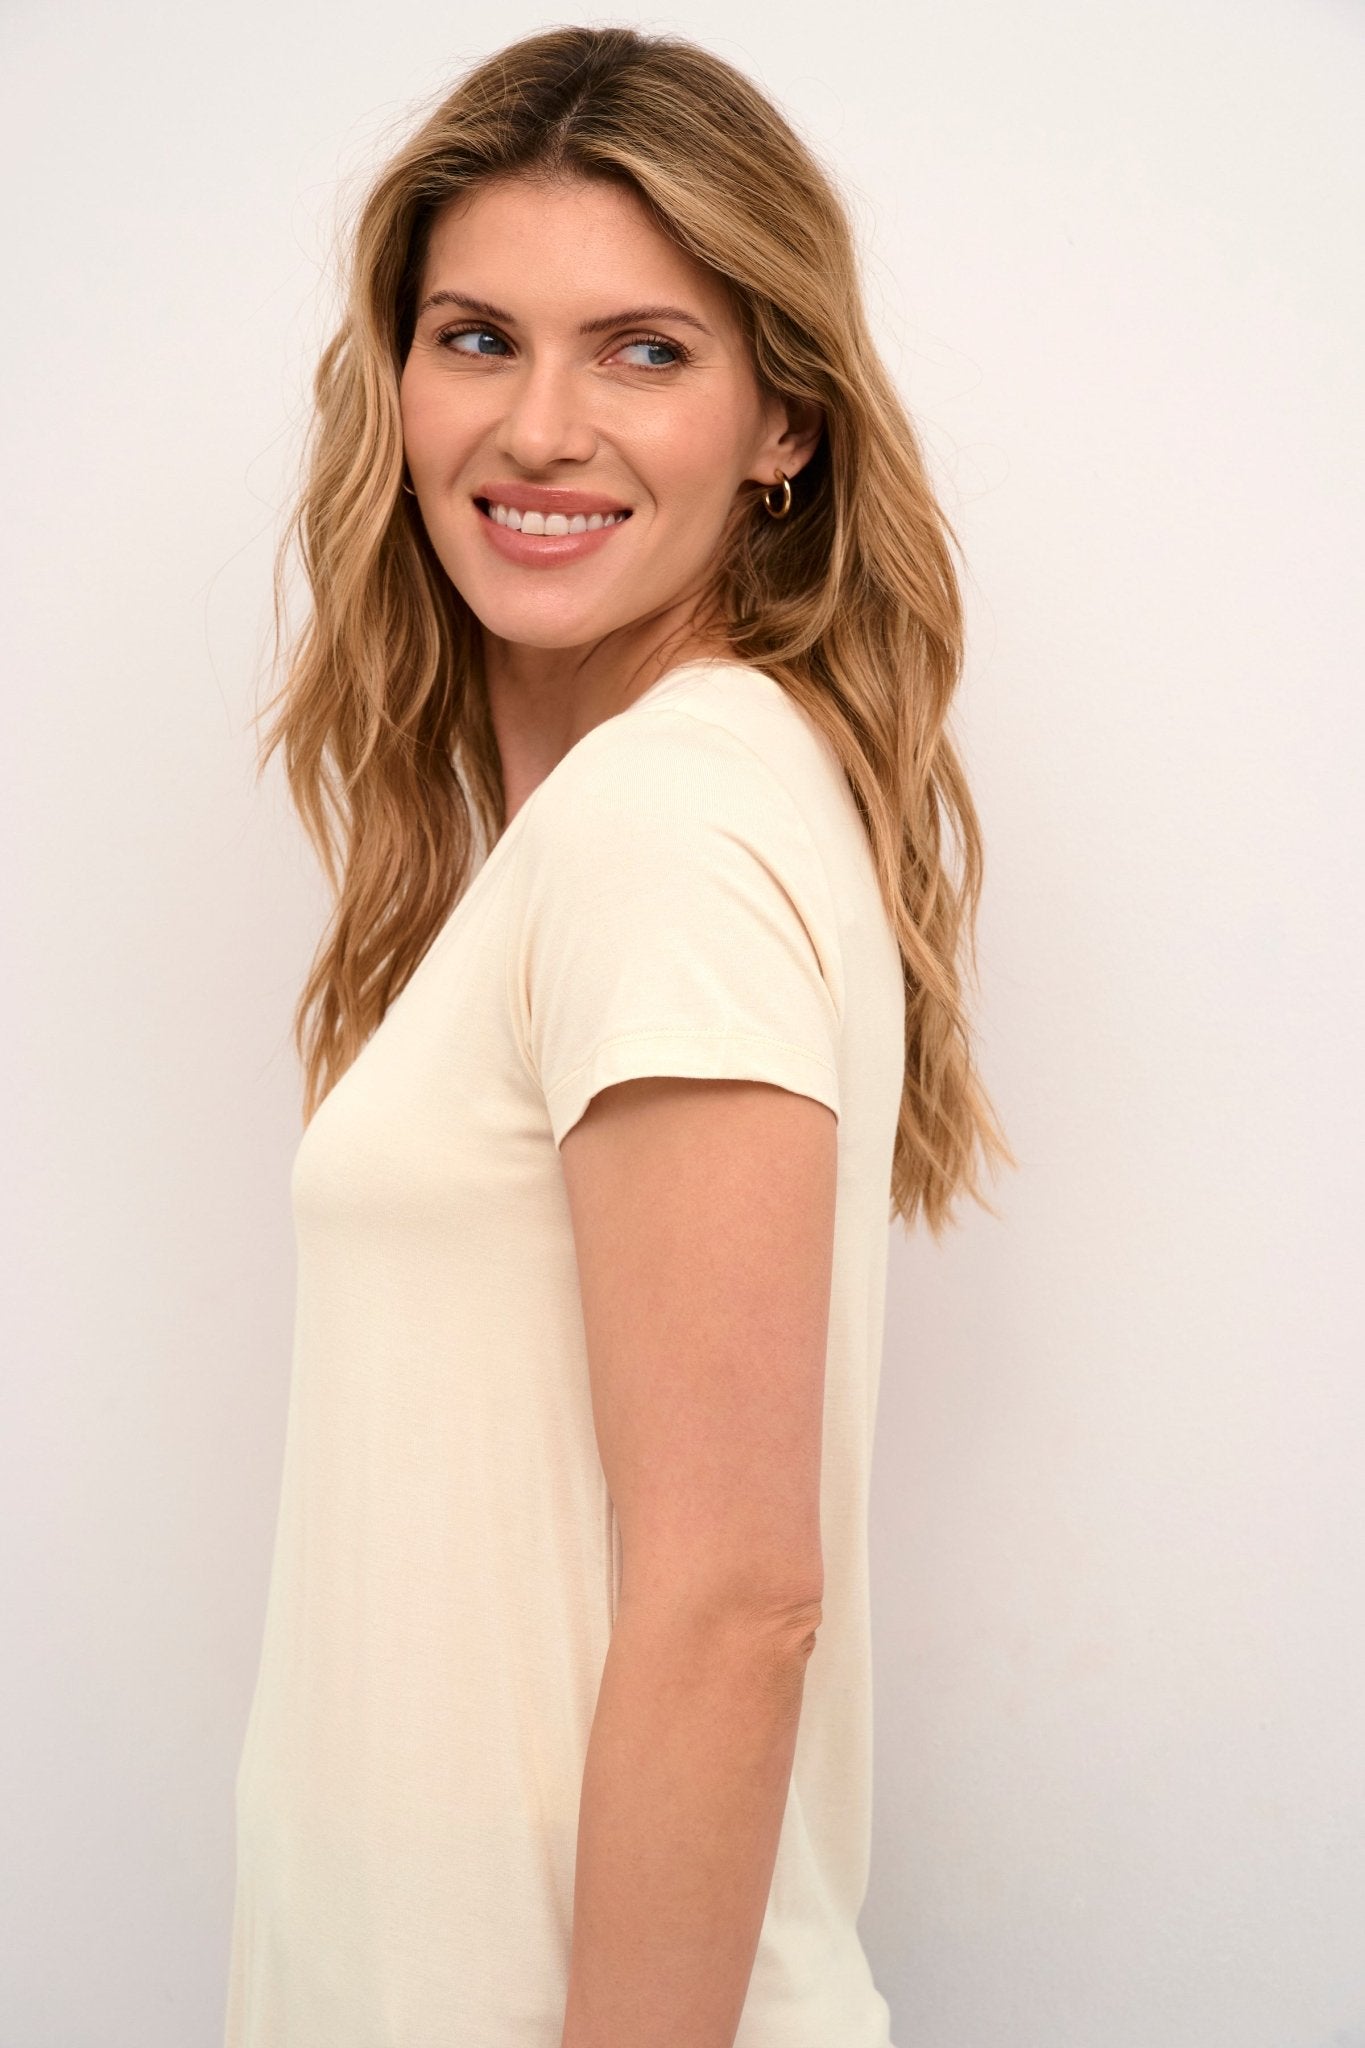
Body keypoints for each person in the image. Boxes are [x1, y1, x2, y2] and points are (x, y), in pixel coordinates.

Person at [224, 24, 1011, 2048]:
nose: (540, 427)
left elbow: (735, 1606)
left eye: (642, 351)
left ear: (781, 424)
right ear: (398, 380)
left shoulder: (665, 825)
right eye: (477, 338)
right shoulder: (626, 819)